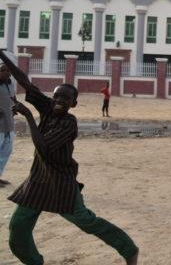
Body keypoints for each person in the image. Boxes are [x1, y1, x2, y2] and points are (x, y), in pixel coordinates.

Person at [0, 50, 139, 265]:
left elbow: (44, 149)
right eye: (56, 96)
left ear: (73, 104)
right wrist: (2, 54)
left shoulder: (69, 123)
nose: (59, 100)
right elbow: (25, 81)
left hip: (62, 184)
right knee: (18, 227)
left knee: (87, 222)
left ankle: (129, 249)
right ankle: (34, 261)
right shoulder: (47, 107)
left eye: (65, 98)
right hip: (37, 181)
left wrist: (28, 116)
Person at [0, 63, 16, 187]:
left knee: (6, 151)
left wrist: (15, 107)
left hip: (9, 123)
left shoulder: (11, 84)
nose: (6, 72)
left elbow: (13, 99)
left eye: (8, 70)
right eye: (3, 70)